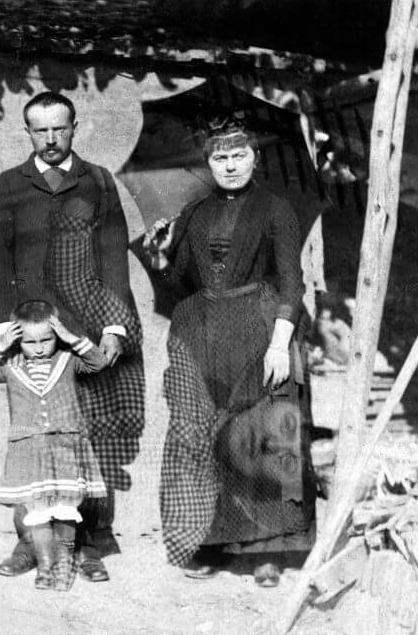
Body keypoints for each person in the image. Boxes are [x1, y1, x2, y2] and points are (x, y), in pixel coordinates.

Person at [144, 118, 315, 588]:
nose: (231, 165)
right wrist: (160, 257)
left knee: (260, 433)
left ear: (255, 157)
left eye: (239, 155)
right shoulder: (195, 214)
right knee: (204, 431)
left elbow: (292, 283)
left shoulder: (276, 209)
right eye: (220, 158)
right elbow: (180, 283)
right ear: (208, 163)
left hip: (260, 327)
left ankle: (267, 552)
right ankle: (211, 541)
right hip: (203, 330)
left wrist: (280, 343)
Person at [0, 91, 144, 583]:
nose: (50, 140)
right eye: (40, 130)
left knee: (86, 439)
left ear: (75, 127)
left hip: (85, 327)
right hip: (30, 331)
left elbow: (115, 254)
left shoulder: (96, 180)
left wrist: (114, 325)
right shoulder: (11, 183)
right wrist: (3, 327)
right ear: (27, 132)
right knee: (33, 439)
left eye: (59, 128)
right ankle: (29, 543)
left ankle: (91, 543)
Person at [0, 301, 108, 591]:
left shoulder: (68, 360)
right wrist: (0, 345)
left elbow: (98, 362)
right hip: (29, 451)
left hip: (65, 447)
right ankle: (45, 567)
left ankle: (63, 567)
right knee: (39, 511)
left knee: (65, 507)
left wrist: (72, 338)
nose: (38, 347)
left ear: (56, 335)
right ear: (18, 340)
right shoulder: (10, 366)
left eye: (46, 339)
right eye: (29, 341)